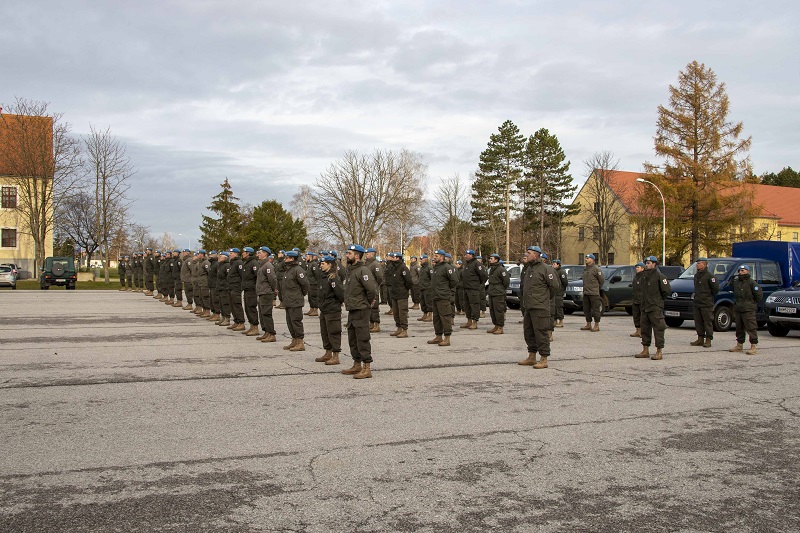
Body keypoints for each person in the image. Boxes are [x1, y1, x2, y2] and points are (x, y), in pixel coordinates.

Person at [518, 246, 559, 369]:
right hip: (529, 306)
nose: (526, 255)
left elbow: (554, 287)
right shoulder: (529, 269)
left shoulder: (546, 269)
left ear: (536, 255)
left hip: (540, 307)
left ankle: (544, 358)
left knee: (541, 333)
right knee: (528, 332)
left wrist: (544, 299)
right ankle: (531, 356)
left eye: (529, 253)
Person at [342, 244, 378, 379]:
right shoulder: (351, 270)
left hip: (361, 308)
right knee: (352, 337)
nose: (347, 255)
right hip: (352, 308)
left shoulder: (363, 270)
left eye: (349, 253)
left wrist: (367, 303)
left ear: (357, 256)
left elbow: (371, 290)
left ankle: (366, 367)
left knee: (362, 338)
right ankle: (356, 364)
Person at [635, 256, 671, 361]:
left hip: (655, 307)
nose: (646, 264)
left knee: (659, 328)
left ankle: (659, 351)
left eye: (649, 263)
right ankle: (645, 350)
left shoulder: (660, 276)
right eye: (646, 263)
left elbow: (667, 291)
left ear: (654, 264)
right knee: (645, 328)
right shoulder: (643, 277)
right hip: (645, 306)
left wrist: (657, 300)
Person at [314, 255, 345, 365]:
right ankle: (328, 352)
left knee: (334, 332)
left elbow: (340, 294)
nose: (321, 266)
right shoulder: (324, 276)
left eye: (323, 264)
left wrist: (336, 304)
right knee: (325, 332)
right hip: (324, 308)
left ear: (330, 264)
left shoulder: (333, 277)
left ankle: (335, 355)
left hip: (332, 309)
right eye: (321, 264)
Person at [428, 249, 458, 346]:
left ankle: (447, 337)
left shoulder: (447, 267)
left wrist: (445, 289)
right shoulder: (435, 267)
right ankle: (438, 336)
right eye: (434, 255)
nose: (434, 257)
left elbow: (454, 281)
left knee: (445, 317)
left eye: (436, 256)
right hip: (435, 296)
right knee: (436, 318)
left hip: (443, 296)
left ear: (442, 257)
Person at [729, 265, 761, 355]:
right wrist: (732, 277)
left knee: (751, 327)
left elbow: (758, 295)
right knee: (739, 327)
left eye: (742, 270)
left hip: (748, 308)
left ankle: (753, 345)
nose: (740, 272)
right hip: (738, 307)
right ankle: (739, 345)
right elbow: (729, 285)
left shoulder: (752, 283)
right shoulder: (736, 281)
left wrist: (751, 303)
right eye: (739, 271)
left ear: (747, 271)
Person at [281, 250, 309, 351]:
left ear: (292, 259)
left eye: (287, 258)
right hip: (288, 300)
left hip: (295, 300)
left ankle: (300, 342)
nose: (285, 260)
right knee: (290, 322)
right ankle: (294, 340)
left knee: (296, 321)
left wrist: (300, 294)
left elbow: (305, 285)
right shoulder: (288, 270)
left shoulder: (298, 270)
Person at [690, 257, 720, 348]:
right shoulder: (696, 275)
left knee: (707, 321)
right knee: (698, 321)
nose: (697, 265)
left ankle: (708, 339)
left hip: (706, 303)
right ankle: (700, 338)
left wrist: (708, 297)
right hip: (697, 302)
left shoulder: (710, 276)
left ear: (704, 264)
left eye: (699, 263)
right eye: (697, 263)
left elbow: (715, 289)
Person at [255, 246, 278, 342]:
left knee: (266, 314)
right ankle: (266, 332)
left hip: (266, 293)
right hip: (262, 292)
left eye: (260, 253)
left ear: (265, 254)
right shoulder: (262, 265)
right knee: (262, 314)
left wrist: (273, 291)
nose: (258, 254)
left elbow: (272, 280)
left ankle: (271, 334)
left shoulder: (268, 266)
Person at [387, 252, 413, 338]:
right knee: (396, 312)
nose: (392, 259)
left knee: (402, 313)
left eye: (394, 257)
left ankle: (404, 330)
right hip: (394, 294)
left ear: (398, 258)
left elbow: (408, 281)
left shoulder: (403, 268)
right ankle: (399, 328)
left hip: (402, 294)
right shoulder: (394, 267)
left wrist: (404, 289)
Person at [460, 249, 487, 329]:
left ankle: (475, 322)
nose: (466, 256)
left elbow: (484, 275)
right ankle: (469, 321)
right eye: (465, 255)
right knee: (467, 306)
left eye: (468, 255)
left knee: (474, 305)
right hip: (466, 288)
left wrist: (479, 284)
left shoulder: (476, 264)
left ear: (472, 255)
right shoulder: (467, 264)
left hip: (473, 289)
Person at [486, 253, 509, 334]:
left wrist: (500, 289)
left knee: (499, 310)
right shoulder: (492, 269)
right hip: (492, 292)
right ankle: (495, 325)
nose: (489, 260)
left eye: (491, 258)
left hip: (498, 293)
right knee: (492, 310)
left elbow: (506, 281)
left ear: (496, 260)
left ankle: (500, 327)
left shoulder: (501, 269)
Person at [581, 254, 604, 331]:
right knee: (586, 309)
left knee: (596, 309)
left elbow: (601, 281)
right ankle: (588, 324)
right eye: (586, 258)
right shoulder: (585, 269)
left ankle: (596, 325)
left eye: (588, 258)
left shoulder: (596, 269)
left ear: (592, 260)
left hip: (594, 293)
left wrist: (596, 288)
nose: (586, 259)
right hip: (586, 292)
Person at [241, 247, 260, 336]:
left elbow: (257, 277)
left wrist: (255, 287)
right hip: (247, 289)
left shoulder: (254, 263)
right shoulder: (246, 263)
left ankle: (255, 327)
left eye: (244, 252)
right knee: (247, 308)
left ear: (248, 253)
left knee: (251, 307)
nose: (243, 253)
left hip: (252, 289)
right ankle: (251, 326)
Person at [365, 247, 383, 332]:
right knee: (369, 307)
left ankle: (376, 324)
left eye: (367, 254)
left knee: (374, 307)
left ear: (372, 254)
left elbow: (379, 277)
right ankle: (371, 323)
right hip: (368, 288)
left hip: (373, 288)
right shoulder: (367, 264)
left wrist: (376, 285)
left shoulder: (376, 264)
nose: (366, 255)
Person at [227, 248, 246, 331]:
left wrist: (240, 286)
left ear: (236, 254)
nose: (230, 254)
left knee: (237, 305)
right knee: (232, 305)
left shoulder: (239, 263)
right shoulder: (232, 263)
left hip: (236, 287)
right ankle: (236, 321)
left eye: (231, 253)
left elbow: (242, 275)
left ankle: (241, 323)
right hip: (231, 287)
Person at [629, 262, 645, 337]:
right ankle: (637, 330)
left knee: (643, 316)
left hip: (642, 299)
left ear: (642, 268)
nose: (637, 269)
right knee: (636, 315)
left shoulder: (644, 277)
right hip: (635, 299)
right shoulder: (636, 277)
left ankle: (643, 331)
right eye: (636, 267)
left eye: (638, 267)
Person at [216, 251, 232, 327]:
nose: (219, 257)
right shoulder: (220, 265)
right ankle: (223, 317)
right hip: (220, 287)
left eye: (221, 256)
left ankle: (227, 318)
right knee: (221, 303)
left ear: (225, 257)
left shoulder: (227, 265)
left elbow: (228, 277)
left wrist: (226, 286)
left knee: (225, 303)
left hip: (225, 287)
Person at [552, 259, 568, 327]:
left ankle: (561, 321)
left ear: (558, 264)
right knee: (554, 307)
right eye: (553, 264)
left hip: (559, 292)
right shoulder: (553, 271)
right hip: (554, 292)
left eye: (554, 264)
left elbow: (565, 282)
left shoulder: (561, 272)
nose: (553, 265)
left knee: (559, 306)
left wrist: (561, 289)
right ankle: (554, 321)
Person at [304, 251, 320, 317]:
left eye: (307, 257)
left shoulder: (314, 264)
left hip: (313, 283)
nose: (306, 258)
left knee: (314, 297)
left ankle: (315, 310)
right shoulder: (309, 264)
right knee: (310, 297)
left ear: (310, 257)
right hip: (309, 283)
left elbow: (317, 274)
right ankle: (311, 308)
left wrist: (316, 282)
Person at [418, 255, 433, 322]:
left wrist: (430, 286)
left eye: (421, 259)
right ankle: (425, 314)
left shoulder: (429, 268)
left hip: (428, 288)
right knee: (423, 302)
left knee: (428, 302)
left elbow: (432, 278)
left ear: (426, 259)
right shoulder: (422, 268)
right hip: (422, 287)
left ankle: (430, 315)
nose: (420, 260)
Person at [207, 251, 220, 322]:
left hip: (215, 285)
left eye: (211, 255)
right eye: (209, 255)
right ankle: (214, 313)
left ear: (215, 255)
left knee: (215, 300)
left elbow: (218, 275)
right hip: (211, 285)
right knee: (211, 300)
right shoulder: (212, 264)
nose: (210, 256)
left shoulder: (216, 264)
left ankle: (217, 314)